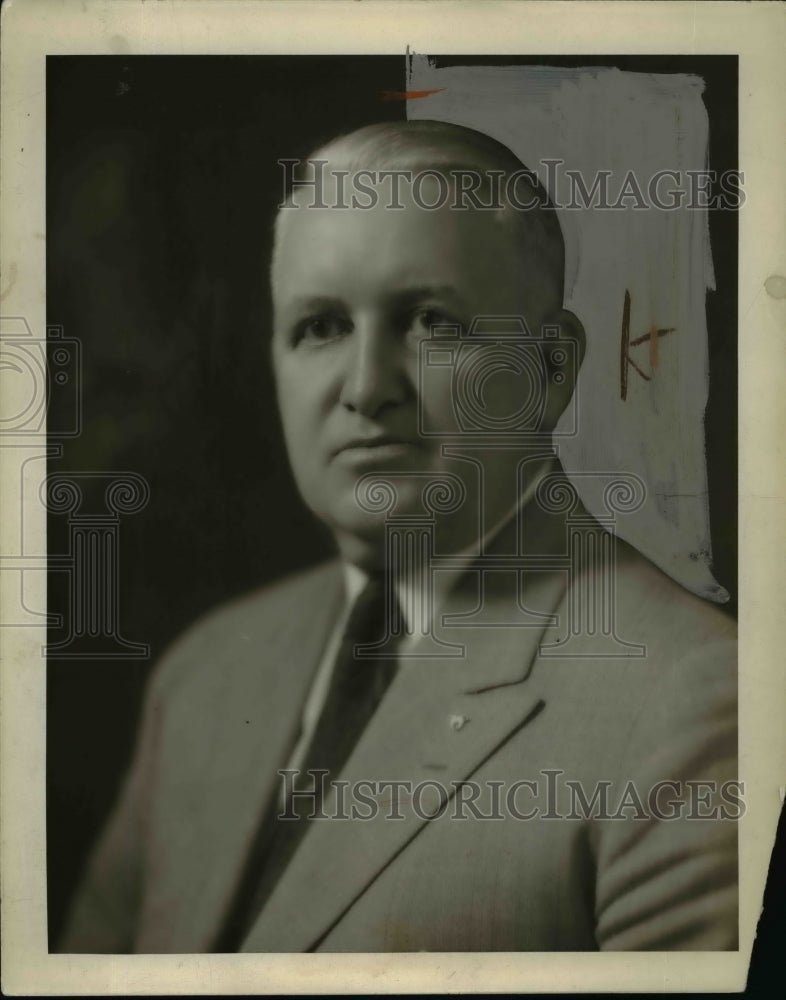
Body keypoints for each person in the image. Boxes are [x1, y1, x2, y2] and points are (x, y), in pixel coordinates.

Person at [58, 120, 738, 953]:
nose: (367, 388)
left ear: (551, 371)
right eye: (320, 327)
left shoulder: (698, 704)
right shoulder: (206, 676)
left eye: (430, 322)